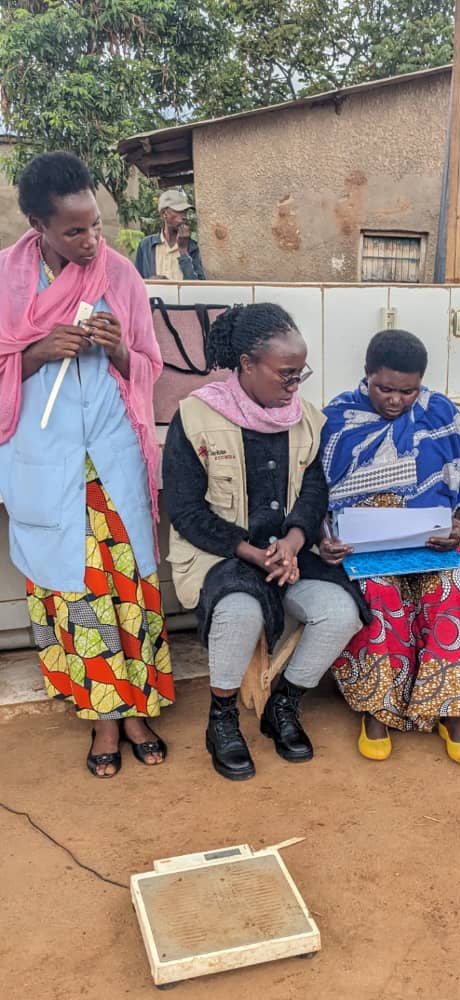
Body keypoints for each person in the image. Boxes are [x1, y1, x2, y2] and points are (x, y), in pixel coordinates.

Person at [0, 151, 174, 777]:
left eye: (95, 224)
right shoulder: (5, 281)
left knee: (127, 588)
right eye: (74, 230)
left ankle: (137, 710)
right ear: (38, 225)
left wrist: (119, 348)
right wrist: (37, 353)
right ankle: (104, 717)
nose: (90, 240)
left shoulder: (121, 275)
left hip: (112, 460)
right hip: (45, 462)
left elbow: (150, 367)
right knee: (78, 594)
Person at [162, 302, 365, 781]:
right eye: (285, 375)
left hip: (288, 554)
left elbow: (314, 490)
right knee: (241, 612)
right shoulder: (194, 416)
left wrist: (294, 540)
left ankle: (284, 704)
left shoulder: (308, 419)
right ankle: (222, 718)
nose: (295, 386)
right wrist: (251, 551)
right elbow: (186, 511)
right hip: (222, 556)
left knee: (342, 612)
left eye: (300, 374)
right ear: (247, 364)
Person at [319, 329, 460, 764]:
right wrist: (326, 539)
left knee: (453, 588)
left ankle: (450, 709)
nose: (396, 400)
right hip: (364, 549)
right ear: (367, 374)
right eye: (385, 389)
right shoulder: (336, 418)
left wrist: (459, 527)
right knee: (378, 593)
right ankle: (377, 708)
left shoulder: (440, 413)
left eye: (408, 391)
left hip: (434, 542)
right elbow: (315, 496)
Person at [134, 188, 206, 281]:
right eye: (179, 211)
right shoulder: (146, 245)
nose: (184, 217)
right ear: (164, 214)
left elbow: (198, 286)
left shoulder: (192, 247)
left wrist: (183, 251)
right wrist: (151, 281)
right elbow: (135, 282)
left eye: (185, 212)